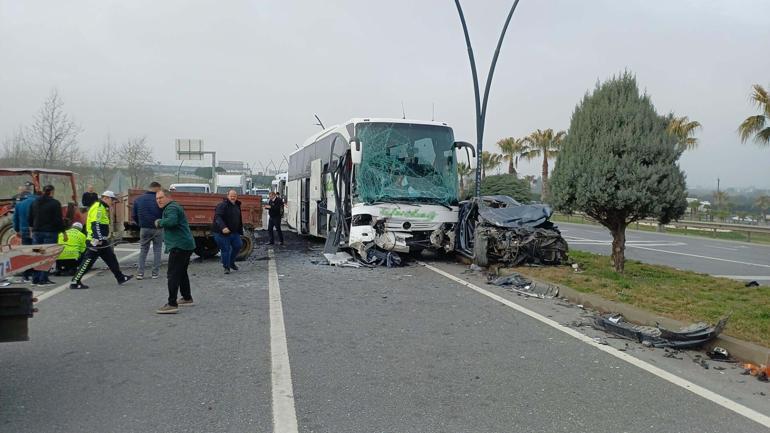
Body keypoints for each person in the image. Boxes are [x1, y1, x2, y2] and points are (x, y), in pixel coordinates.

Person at [69, 191, 133, 289]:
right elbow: (96, 224)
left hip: (101, 240)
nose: (112, 202)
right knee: (88, 262)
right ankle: (75, 282)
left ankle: (120, 277)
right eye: (112, 200)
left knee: (111, 258)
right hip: (96, 240)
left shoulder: (101, 207)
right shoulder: (99, 208)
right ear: (106, 198)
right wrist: (98, 238)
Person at [154, 189, 195, 314]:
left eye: (161, 197)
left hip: (179, 245)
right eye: (157, 199)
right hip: (185, 244)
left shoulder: (171, 208)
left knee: (172, 274)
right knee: (182, 272)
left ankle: (172, 303)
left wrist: (159, 222)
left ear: (168, 197)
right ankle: (187, 298)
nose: (159, 200)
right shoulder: (173, 206)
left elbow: (172, 221)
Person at [28, 185, 67, 285]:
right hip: (50, 233)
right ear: (52, 192)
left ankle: (35, 278)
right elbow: (58, 219)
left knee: (37, 254)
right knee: (48, 255)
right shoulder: (55, 203)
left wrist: (31, 230)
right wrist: (64, 232)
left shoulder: (35, 202)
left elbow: (30, 217)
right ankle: (43, 279)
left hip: (37, 233)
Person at [132, 181, 164, 279]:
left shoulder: (138, 200)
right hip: (158, 228)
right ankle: (155, 273)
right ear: (157, 188)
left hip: (144, 228)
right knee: (157, 250)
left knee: (143, 250)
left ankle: (140, 273)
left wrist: (140, 224)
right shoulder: (159, 200)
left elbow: (134, 215)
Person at [213, 189, 243, 274]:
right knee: (225, 249)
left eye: (234, 196)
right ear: (227, 196)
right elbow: (218, 217)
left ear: (236, 196)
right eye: (231, 196)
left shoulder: (237, 205)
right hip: (221, 232)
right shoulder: (222, 205)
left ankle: (231, 262)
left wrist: (240, 228)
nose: (233, 197)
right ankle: (226, 267)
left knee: (238, 245)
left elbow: (238, 218)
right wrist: (223, 227)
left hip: (234, 232)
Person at [13, 191, 37, 281]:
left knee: (26, 251)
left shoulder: (19, 205)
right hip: (35, 232)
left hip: (24, 232)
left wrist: (17, 230)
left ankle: (26, 274)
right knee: (37, 251)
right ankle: (36, 273)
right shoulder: (37, 202)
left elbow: (15, 219)